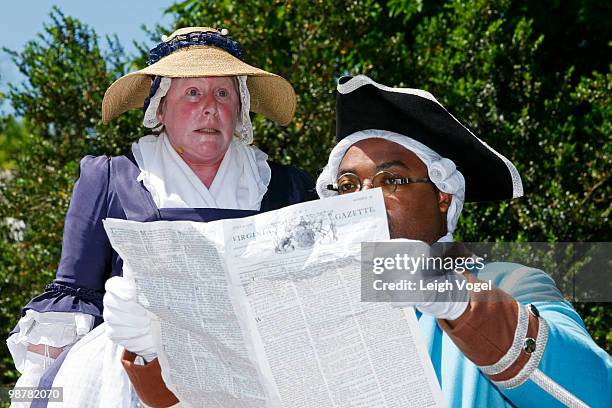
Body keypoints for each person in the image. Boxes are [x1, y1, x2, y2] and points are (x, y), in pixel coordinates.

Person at [105, 75, 611, 407]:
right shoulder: (297, 306)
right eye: (347, 188)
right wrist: (159, 354)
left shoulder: (506, 282)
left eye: (392, 181)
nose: (364, 200)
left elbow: (595, 391)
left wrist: (458, 300)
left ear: (442, 198)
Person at [6, 26, 316, 407]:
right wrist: (32, 390)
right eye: (192, 92)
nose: (210, 107)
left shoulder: (288, 186)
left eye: (223, 93)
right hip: (129, 375)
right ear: (160, 107)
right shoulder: (108, 177)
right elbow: (74, 294)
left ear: (240, 108)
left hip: (255, 370)